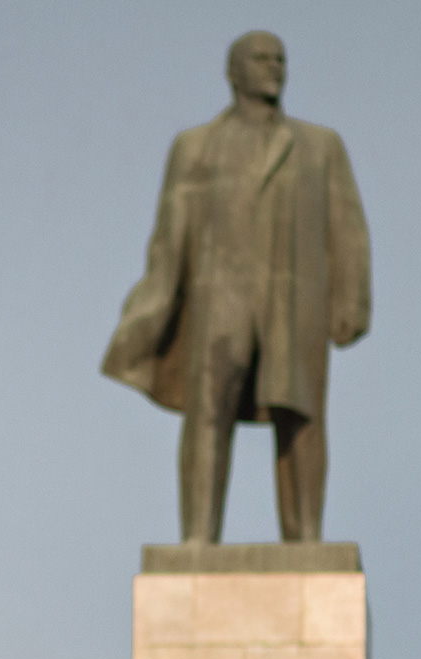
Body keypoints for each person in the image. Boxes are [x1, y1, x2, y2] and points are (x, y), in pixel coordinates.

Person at [101, 31, 371, 543]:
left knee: (302, 417)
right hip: (218, 297)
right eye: (261, 59)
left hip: (295, 300)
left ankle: (305, 538)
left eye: (280, 59)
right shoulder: (195, 146)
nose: (274, 67)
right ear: (234, 73)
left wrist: (352, 298)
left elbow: (348, 228)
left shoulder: (320, 146)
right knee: (208, 413)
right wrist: (153, 305)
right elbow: (170, 234)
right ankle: (198, 537)